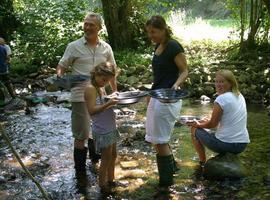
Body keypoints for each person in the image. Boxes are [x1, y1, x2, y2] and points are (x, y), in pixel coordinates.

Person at [56, 12, 118, 177]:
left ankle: (95, 161)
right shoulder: (73, 46)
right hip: (79, 96)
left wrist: (115, 92)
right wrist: (60, 77)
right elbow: (61, 66)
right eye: (86, 24)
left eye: (92, 24)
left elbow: (112, 71)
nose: (88, 27)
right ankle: (81, 173)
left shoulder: (106, 48)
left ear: (99, 28)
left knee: (99, 130)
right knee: (81, 134)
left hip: (101, 96)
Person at [145, 15, 188, 189]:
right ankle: (171, 168)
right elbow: (160, 74)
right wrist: (151, 92)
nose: (151, 35)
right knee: (157, 138)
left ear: (163, 29)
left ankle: (166, 183)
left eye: (153, 32)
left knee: (160, 141)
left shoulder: (173, 46)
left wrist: (175, 86)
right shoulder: (158, 45)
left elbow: (185, 71)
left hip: (168, 98)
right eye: (148, 32)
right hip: (157, 96)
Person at [187, 70, 250, 168]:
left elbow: (213, 125)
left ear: (230, 83)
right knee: (203, 122)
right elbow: (223, 119)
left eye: (222, 81)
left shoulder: (221, 99)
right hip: (242, 144)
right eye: (216, 81)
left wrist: (196, 124)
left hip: (227, 145)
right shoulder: (239, 95)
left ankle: (202, 162)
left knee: (194, 129)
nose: (218, 84)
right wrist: (205, 121)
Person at [85, 62, 119, 194]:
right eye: (104, 80)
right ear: (96, 74)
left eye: (108, 81)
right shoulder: (90, 89)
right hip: (103, 130)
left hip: (110, 127)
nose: (105, 83)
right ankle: (102, 186)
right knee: (105, 159)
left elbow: (103, 102)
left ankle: (111, 180)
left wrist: (111, 99)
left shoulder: (100, 87)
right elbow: (92, 110)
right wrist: (109, 103)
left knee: (113, 155)